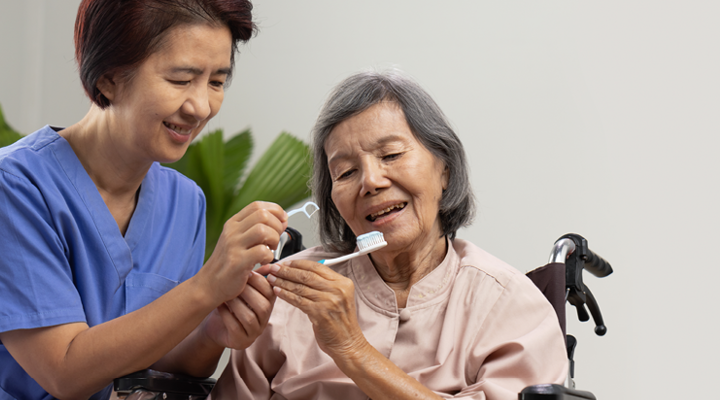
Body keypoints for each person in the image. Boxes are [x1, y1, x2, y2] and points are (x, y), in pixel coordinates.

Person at [210, 69, 569, 400]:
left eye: (392, 154)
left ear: (444, 169)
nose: (371, 181)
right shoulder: (289, 296)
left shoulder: (507, 304)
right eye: (346, 172)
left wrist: (353, 350)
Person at [0, 1, 284, 399]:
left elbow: (160, 366)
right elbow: (64, 371)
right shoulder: (15, 186)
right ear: (108, 78)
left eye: (217, 82)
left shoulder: (186, 202)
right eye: (181, 80)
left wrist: (214, 332)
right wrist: (206, 288)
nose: (201, 107)